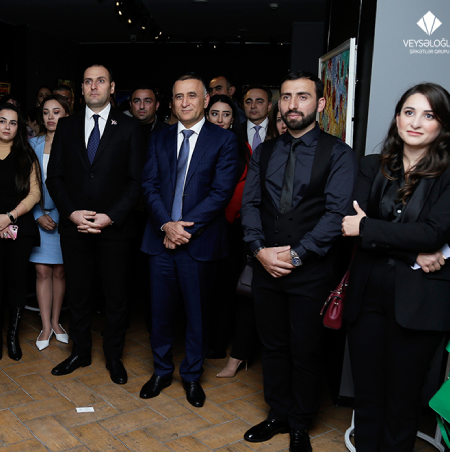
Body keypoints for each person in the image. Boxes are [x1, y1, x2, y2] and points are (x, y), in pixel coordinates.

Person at [341, 83, 450, 451]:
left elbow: (432, 232)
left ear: (444, 125)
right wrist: (413, 252)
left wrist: (371, 228)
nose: (415, 122)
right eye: (409, 112)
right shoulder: (371, 165)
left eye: (428, 115)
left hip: (421, 304)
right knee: (367, 397)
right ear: (397, 118)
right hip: (367, 297)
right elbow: (349, 228)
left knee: (403, 399)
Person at [240, 71, 356, 452]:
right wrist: (258, 250)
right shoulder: (265, 152)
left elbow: (336, 215)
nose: (293, 105)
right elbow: (250, 205)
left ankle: (300, 423)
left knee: (305, 349)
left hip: (311, 271)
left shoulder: (338, 153)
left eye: (302, 96)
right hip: (265, 266)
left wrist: (296, 254)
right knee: (272, 347)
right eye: (287, 97)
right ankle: (278, 413)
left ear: (320, 104)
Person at [138, 74, 240, 407]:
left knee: (197, 315)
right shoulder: (159, 138)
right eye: (179, 96)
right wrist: (166, 225)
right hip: (160, 241)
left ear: (206, 100)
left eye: (192, 95)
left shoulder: (224, 140)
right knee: (160, 313)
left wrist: (182, 230)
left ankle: (192, 376)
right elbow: (149, 186)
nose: (185, 102)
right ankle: (161, 371)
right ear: (172, 101)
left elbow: (221, 193)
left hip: (198, 244)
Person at [46, 64, 146, 384]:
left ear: (111, 87)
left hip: (114, 229)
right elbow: (54, 177)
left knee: (116, 296)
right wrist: (71, 212)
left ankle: (114, 357)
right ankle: (80, 352)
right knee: (78, 294)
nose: (93, 87)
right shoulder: (67, 125)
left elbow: (136, 182)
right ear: (81, 88)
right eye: (88, 82)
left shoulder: (130, 127)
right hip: (75, 227)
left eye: (100, 81)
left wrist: (110, 216)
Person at [0, 102, 41, 362]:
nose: (7, 127)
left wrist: (10, 217)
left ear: (19, 127)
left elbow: (35, 193)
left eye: (13, 123)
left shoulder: (27, 156)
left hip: (20, 227)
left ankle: (12, 337)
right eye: (2, 121)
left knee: (17, 282)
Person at [199, 94, 257, 376]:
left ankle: (218, 343)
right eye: (214, 113)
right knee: (202, 286)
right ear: (206, 115)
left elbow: (244, 186)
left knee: (224, 287)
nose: (220, 119)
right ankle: (200, 340)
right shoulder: (196, 143)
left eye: (226, 114)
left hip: (231, 228)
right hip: (201, 225)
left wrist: (228, 216)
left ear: (233, 119)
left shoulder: (243, 147)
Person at [29, 95, 71, 350]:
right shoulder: (31, 144)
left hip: (64, 217)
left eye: (57, 111)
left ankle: (56, 322)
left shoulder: (75, 144)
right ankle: (45, 325)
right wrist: (37, 214)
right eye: (46, 112)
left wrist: (62, 214)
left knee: (60, 271)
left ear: (67, 115)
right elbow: (23, 183)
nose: (51, 117)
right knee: (42, 271)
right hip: (37, 214)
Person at [238, 86, 272, 151]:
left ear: (269, 106)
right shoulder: (235, 131)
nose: (253, 106)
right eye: (249, 102)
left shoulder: (278, 130)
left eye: (259, 102)